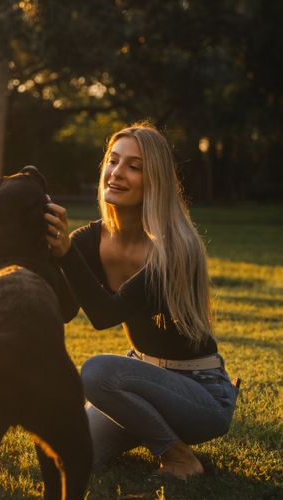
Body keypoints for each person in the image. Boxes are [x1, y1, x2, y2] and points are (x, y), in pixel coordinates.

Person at [45, 122, 238, 480]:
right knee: (66, 455)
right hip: (135, 388)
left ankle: (178, 456)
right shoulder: (89, 239)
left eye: (134, 167)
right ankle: (146, 427)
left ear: (156, 180)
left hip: (199, 393)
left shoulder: (174, 248)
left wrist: (66, 255)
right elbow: (65, 309)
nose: (117, 173)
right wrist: (35, 258)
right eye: (113, 161)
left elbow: (105, 315)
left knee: (97, 371)